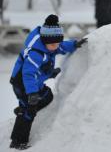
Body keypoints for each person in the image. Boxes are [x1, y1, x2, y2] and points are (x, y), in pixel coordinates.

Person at [9, 14, 88, 149]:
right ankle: (18, 141)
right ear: (45, 41)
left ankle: (23, 107)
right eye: (53, 44)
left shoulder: (51, 44)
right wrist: (32, 94)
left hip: (35, 82)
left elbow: (62, 47)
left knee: (47, 96)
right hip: (23, 84)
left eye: (57, 43)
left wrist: (74, 44)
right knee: (30, 111)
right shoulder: (35, 53)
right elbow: (28, 74)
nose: (56, 46)